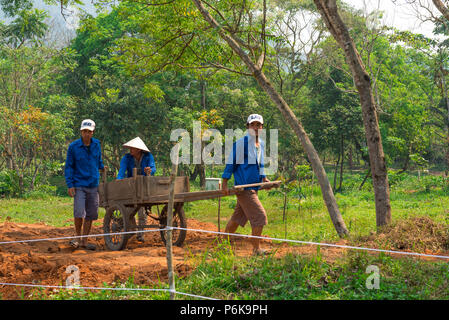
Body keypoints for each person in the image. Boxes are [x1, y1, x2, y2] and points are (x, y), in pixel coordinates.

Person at [222, 114, 271, 255]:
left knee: (237, 218)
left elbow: (260, 164)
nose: (256, 128)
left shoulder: (260, 144)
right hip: (244, 188)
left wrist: (264, 178)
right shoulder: (241, 144)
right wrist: (225, 182)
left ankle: (223, 244)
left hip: (254, 187)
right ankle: (256, 249)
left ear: (262, 127)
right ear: (248, 127)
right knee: (260, 217)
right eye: (253, 125)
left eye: (259, 125)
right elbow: (231, 163)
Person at [65, 119, 104, 251]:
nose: (87, 134)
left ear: (93, 133)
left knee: (92, 213)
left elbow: (98, 160)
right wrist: (70, 184)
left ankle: (84, 241)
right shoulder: (73, 147)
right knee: (79, 212)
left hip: (93, 183)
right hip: (79, 184)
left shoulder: (97, 144)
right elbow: (69, 166)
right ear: (81, 132)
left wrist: (102, 167)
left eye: (89, 132)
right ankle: (78, 236)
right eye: (84, 131)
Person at [117, 137, 156, 242]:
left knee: (142, 213)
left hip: (144, 186)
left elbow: (153, 168)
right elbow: (121, 171)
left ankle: (140, 234)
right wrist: (119, 181)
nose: (130, 150)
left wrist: (150, 170)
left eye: (132, 148)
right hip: (131, 186)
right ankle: (131, 229)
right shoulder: (127, 158)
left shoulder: (148, 156)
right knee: (129, 211)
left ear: (139, 149)